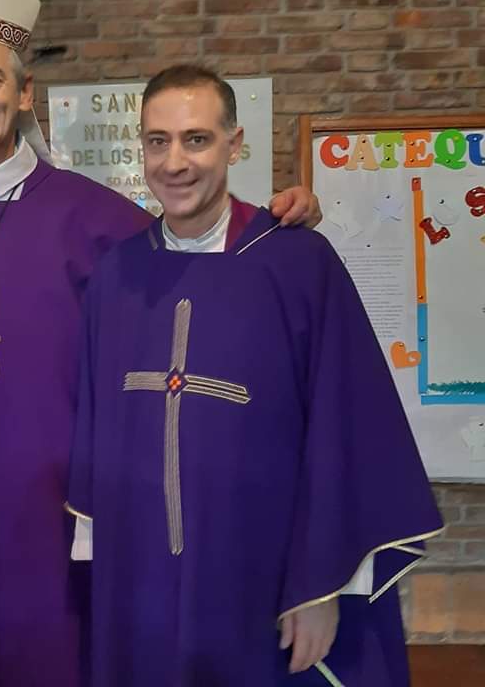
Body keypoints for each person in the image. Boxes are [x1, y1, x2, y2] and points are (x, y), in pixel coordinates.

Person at [0, 0, 321, 684]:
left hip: (55, 508)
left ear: (23, 91)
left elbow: (191, 248)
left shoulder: (93, 215)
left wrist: (276, 223)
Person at [66, 64, 444, 687]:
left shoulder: (297, 264)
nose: (175, 162)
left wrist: (323, 586)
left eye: (196, 139)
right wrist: (108, 581)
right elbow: (96, 437)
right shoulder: (117, 277)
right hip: (144, 577)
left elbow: (344, 427)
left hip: (263, 578)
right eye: (158, 141)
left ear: (234, 144)